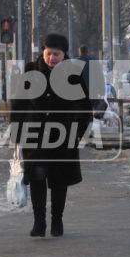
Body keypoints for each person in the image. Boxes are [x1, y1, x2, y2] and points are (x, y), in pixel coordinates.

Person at [7, 33, 100, 238]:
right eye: (49, 54)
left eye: (56, 54)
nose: (52, 58)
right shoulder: (31, 71)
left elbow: (83, 106)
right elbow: (19, 103)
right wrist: (16, 132)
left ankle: (57, 220)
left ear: (64, 54)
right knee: (37, 176)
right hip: (34, 135)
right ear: (43, 52)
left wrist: (77, 133)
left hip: (64, 136)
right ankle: (39, 221)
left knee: (59, 180)